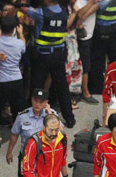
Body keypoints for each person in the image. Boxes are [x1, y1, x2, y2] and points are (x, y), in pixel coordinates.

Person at [8, 89, 58, 177]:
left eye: (41, 101)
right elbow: (14, 134)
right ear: (31, 100)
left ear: (46, 103)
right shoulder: (22, 116)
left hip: (44, 160)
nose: (38, 104)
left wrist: (49, 114)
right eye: (35, 100)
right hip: (26, 159)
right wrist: (9, 151)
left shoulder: (51, 115)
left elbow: (60, 131)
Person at [22, 0, 76, 128]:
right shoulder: (63, 11)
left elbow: (23, 8)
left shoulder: (41, 13)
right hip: (58, 54)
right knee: (62, 86)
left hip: (42, 55)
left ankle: (34, 117)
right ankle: (69, 117)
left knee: (37, 86)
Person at [0, 15, 27, 143]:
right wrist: (21, 34)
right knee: (18, 108)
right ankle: (21, 131)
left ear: (0, 28)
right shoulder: (19, 43)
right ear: (14, 29)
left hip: (0, 81)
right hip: (16, 79)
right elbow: (24, 47)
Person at [88, 0, 116, 95]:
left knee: (106, 60)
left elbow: (97, 6)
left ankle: (102, 88)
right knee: (107, 60)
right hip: (107, 28)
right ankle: (105, 87)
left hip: (108, 29)